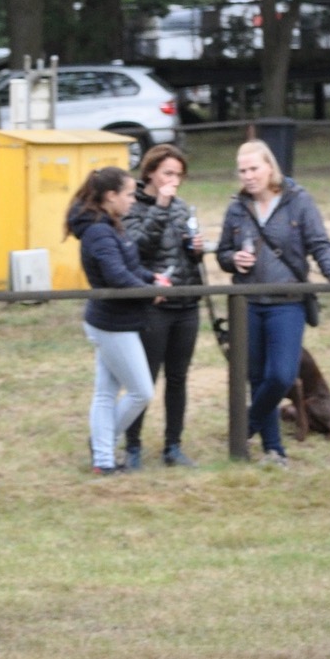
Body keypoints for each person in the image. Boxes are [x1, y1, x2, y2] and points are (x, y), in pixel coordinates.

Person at [216, 139, 330, 466]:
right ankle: (274, 449)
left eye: (254, 168)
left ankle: (246, 426)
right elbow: (223, 252)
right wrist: (232, 258)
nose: (248, 176)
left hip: (287, 300)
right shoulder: (237, 207)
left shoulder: (298, 201)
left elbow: (319, 243)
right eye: (242, 171)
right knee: (256, 377)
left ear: (270, 167)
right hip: (247, 301)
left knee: (281, 375)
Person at [68, 165, 170, 474]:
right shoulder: (100, 232)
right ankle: (103, 446)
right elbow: (116, 276)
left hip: (115, 319)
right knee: (141, 391)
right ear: (111, 196)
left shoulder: (109, 225)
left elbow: (129, 267)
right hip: (112, 323)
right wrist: (149, 293)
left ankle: (103, 460)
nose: (133, 201)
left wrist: (151, 278)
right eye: (128, 195)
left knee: (106, 393)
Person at [122, 146, 206, 469]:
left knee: (178, 377)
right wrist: (160, 206)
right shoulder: (132, 206)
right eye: (168, 173)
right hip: (153, 305)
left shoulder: (182, 208)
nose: (174, 181)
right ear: (150, 173)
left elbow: (187, 255)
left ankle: (173, 446)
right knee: (143, 380)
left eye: (179, 175)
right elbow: (138, 248)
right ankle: (132, 447)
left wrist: (196, 248)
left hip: (187, 302)